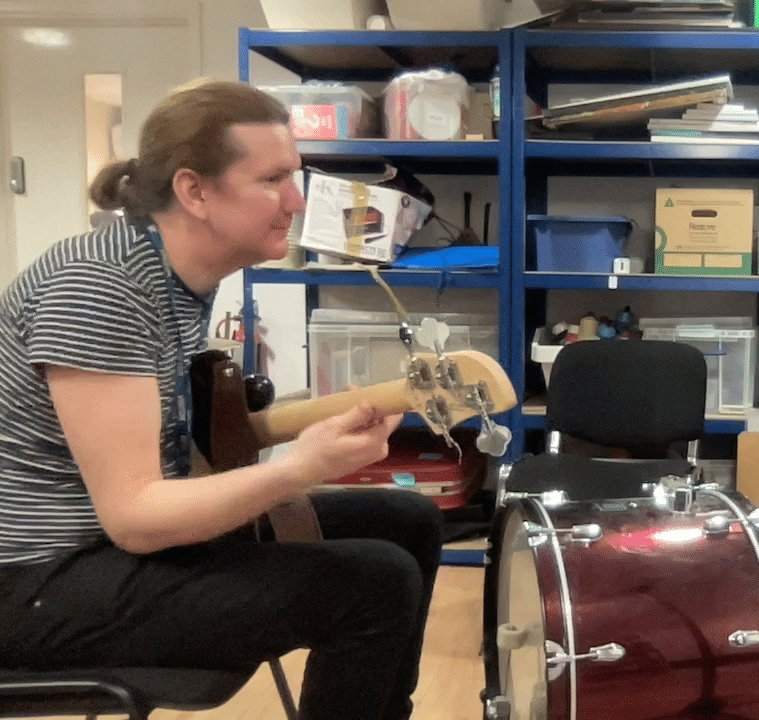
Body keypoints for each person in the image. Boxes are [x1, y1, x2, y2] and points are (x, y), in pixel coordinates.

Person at [0, 80, 443, 720]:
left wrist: (307, 425)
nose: (296, 200)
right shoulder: (100, 289)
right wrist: (301, 466)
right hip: (36, 578)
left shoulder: (172, 275)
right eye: (273, 180)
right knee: (373, 583)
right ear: (194, 191)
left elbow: (169, 439)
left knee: (409, 521)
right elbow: (137, 517)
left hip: (105, 547)